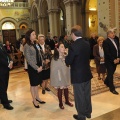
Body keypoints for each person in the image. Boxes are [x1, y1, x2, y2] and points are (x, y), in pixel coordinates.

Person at [65, 25, 92, 120]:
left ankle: (81, 116)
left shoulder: (73, 46)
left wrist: (66, 55)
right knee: (87, 94)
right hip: (87, 73)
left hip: (78, 75)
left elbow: (68, 62)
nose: (70, 36)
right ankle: (88, 112)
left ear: (73, 34)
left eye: (71, 34)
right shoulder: (87, 43)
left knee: (79, 96)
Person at [24, 29, 45, 108]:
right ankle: (34, 100)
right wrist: (37, 68)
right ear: (29, 36)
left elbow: (40, 53)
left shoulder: (35, 43)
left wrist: (42, 63)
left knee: (37, 83)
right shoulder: (26, 46)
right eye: (33, 34)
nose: (35, 36)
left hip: (39, 65)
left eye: (35, 34)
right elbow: (28, 59)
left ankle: (38, 97)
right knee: (33, 84)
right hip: (33, 68)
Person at [50, 42, 73, 109]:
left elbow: (69, 64)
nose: (64, 48)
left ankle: (67, 101)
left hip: (65, 74)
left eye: (64, 47)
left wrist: (66, 56)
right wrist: (59, 74)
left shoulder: (65, 56)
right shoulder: (55, 58)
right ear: (57, 49)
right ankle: (60, 103)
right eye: (62, 47)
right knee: (60, 89)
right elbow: (54, 69)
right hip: (59, 76)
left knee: (66, 88)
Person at [103, 29, 120, 95]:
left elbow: (118, 50)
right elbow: (107, 53)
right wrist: (113, 59)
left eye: (114, 33)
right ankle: (112, 89)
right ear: (108, 34)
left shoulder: (115, 40)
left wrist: (118, 57)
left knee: (112, 72)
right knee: (110, 74)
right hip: (109, 61)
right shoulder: (106, 41)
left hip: (116, 60)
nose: (114, 34)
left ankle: (106, 81)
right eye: (112, 33)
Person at [0, 35, 14, 110]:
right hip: (1, 70)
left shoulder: (1, 45)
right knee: (2, 86)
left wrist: (11, 61)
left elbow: (6, 55)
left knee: (5, 85)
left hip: (5, 69)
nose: (0, 37)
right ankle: (5, 103)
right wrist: (8, 64)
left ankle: (3, 98)